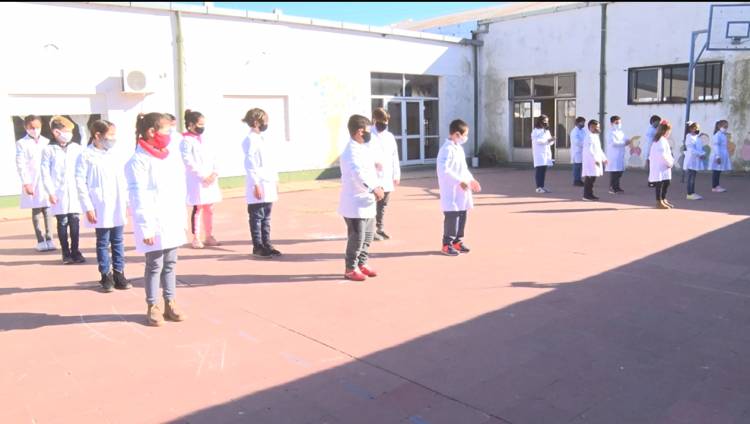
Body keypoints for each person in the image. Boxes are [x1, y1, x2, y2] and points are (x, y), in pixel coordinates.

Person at [125, 112, 188, 327]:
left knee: (170, 263)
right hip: (153, 221)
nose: (169, 135)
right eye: (166, 130)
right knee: (155, 265)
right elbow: (138, 196)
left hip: (171, 219)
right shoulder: (138, 160)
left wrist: (182, 219)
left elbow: (178, 189)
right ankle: (153, 305)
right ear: (152, 132)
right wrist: (146, 228)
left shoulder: (168, 156)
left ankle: (170, 301)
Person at [76, 120, 131, 292]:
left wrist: (127, 200)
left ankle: (119, 273)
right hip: (99, 205)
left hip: (117, 203)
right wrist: (88, 207)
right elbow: (80, 182)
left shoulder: (115, 154)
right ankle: (105, 275)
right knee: (103, 241)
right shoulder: (86, 155)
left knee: (118, 241)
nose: (113, 139)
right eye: (110, 135)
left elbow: (124, 179)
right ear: (97, 135)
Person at [338, 114, 384, 281]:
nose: (369, 134)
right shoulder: (351, 151)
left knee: (368, 236)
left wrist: (376, 166)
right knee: (357, 238)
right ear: (359, 131)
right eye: (368, 131)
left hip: (367, 202)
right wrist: (373, 188)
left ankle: (362, 263)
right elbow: (357, 174)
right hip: (355, 203)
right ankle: (350, 268)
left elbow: (367, 169)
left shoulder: (362, 148)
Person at [41, 116, 85, 265]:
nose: (69, 134)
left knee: (75, 221)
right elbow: (45, 172)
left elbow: (82, 169)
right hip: (58, 192)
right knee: (62, 222)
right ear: (56, 132)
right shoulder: (48, 149)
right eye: (66, 131)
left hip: (74, 191)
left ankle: (76, 251)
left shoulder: (76, 148)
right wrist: (50, 192)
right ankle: (65, 252)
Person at [241, 108, 282, 259]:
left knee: (267, 216)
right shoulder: (250, 139)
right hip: (258, 182)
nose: (267, 124)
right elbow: (250, 163)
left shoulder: (263, 138)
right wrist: (256, 184)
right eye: (265, 121)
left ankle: (267, 243)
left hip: (268, 181)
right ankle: (257, 245)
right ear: (257, 122)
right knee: (257, 215)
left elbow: (271, 162)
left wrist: (275, 179)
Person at [438, 119, 481, 256]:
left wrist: (471, 180)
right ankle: (447, 243)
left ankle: (458, 241)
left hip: (462, 190)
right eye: (465, 135)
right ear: (457, 134)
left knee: (462, 214)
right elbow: (444, 170)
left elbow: (464, 169)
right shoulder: (446, 149)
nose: (465, 138)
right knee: (452, 216)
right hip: (452, 190)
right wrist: (459, 182)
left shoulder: (459, 149)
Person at [180, 109, 222, 249]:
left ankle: (209, 235)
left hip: (210, 179)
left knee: (209, 208)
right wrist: (202, 176)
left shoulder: (205, 139)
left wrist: (214, 173)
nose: (202, 127)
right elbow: (187, 160)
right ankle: (196, 237)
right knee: (198, 208)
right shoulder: (186, 140)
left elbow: (214, 156)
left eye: (203, 124)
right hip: (197, 180)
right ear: (191, 124)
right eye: (199, 124)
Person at [15, 115, 55, 252]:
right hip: (32, 180)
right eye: (31, 127)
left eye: (37, 127)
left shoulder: (46, 141)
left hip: (46, 179)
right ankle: (40, 239)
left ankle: (50, 238)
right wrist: (27, 183)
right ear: (26, 127)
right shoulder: (22, 143)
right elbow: (21, 164)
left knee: (48, 209)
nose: (35, 130)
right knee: (37, 210)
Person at [370, 107, 401, 241]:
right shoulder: (368, 136)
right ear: (374, 120)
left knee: (383, 205)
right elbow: (364, 155)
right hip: (374, 177)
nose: (384, 124)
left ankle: (380, 228)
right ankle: (371, 231)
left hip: (387, 177)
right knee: (372, 204)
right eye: (382, 121)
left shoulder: (389, 137)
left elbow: (394, 156)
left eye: (386, 121)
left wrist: (396, 174)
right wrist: (374, 163)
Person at [649, 119, 675, 209]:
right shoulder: (660, 140)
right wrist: (669, 162)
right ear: (665, 131)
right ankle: (658, 201)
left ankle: (663, 199)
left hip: (664, 165)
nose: (669, 133)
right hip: (660, 165)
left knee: (666, 182)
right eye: (669, 131)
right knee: (659, 184)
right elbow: (662, 154)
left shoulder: (663, 140)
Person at [582, 120, 608, 201]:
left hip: (596, 160)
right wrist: (594, 159)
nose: (598, 128)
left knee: (593, 178)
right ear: (591, 127)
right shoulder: (588, 136)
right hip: (590, 160)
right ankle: (586, 195)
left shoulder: (595, 136)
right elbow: (589, 150)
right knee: (589, 178)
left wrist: (604, 158)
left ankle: (590, 194)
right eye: (596, 127)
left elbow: (599, 149)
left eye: (598, 127)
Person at [605, 115, 630, 194]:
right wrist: (624, 143)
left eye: (619, 122)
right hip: (613, 155)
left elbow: (626, 139)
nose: (619, 124)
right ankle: (612, 187)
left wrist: (630, 140)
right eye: (617, 123)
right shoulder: (610, 133)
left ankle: (617, 187)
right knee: (614, 172)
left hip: (620, 155)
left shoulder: (621, 132)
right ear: (612, 123)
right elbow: (613, 143)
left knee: (619, 172)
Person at [532, 115, 555, 193]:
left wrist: (552, 140)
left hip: (546, 153)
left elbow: (550, 143)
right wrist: (548, 140)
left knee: (544, 171)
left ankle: (542, 186)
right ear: (540, 121)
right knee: (539, 170)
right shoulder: (535, 131)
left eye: (547, 121)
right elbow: (537, 141)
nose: (546, 122)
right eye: (545, 121)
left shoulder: (546, 131)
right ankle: (538, 187)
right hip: (539, 153)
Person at [683, 121, 705, 200]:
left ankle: (692, 192)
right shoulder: (689, 137)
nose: (697, 130)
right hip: (691, 160)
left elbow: (699, 148)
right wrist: (700, 154)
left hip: (695, 160)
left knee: (693, 177)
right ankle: (689, 193)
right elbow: (691, 150)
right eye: (695, 128)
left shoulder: (696, 137)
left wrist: (702, 154)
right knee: (691, 177)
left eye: (698, 128)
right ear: (691, 129)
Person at [709, 119, 731, 193]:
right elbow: (716, 146)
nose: (726, 128)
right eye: (725, 126)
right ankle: (714, 186)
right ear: (719, 126)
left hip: (722, 154)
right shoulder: (717, 135)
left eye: (727, 127)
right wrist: (718, 156)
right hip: (718, 154)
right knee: (716, 170)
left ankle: (717, 185)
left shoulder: (722, 135)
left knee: (718, 170)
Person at [643, 115, 661, 187]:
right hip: (650, 150)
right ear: (653, 122)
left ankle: (652, 181)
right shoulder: (651, 130)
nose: (658, 124)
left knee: (653, 167)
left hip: (652, 150)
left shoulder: (653, 129)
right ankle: (651, 181)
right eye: (657, 122)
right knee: (651, 167)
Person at [570, 116, 586, 187]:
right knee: (577, 166)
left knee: (580, 166)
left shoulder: (583, 131)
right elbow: (577, 142)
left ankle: (579, 179)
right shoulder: (574, 131)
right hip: (577, 152)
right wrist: (585, 144)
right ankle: (576, 180)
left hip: (582, 151)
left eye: (583, 122)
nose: (583, 124)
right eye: (582, 122)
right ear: (577, 123)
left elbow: (586, 139)